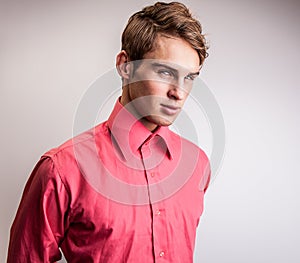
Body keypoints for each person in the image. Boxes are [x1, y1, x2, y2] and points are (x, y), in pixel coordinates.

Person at [7, 2, 210, 262]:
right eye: (164, 72)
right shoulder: (62, 170)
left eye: (189, 77)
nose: (179, 92)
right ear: (125, 66)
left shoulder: (197, 165)